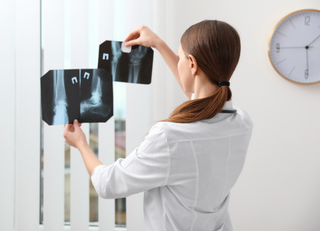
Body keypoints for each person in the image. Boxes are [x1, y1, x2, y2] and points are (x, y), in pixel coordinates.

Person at [63, 20, 253, 231]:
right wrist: (158, 44)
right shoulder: (242, 123)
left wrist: (81, 144)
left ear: (191, 64)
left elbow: (108, 184)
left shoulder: (170, 137)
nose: (178, 60)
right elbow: (199, 95)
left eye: (180, 56)